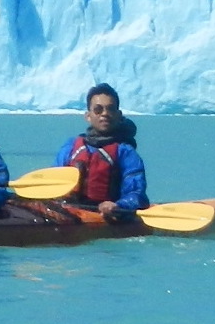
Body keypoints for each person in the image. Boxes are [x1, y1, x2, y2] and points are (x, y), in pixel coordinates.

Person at [54, 83, 148, 221]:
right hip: (68, 210)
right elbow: (54, 181)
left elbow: (137, 194)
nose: (105, 114)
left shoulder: (126, 152)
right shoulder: (71, 146)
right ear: (88, 116)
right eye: (98, 110)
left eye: (110, 109)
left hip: (107, 214)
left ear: (118, 114)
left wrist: (118, 205)